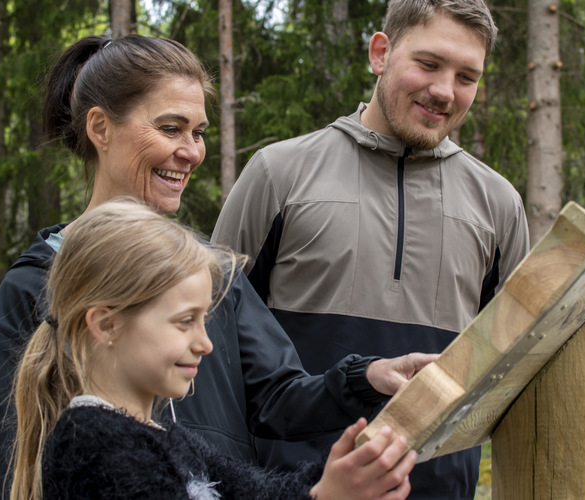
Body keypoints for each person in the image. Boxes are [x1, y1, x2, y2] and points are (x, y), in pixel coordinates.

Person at [0, 34, 435, 500]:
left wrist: (368, 378)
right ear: (100, 127)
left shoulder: (211, 273)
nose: (192, 152)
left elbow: (277, 398)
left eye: (198, 133)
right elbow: (7, 468)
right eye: (171, 128)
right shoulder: (35, 286)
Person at [211, 1, 531, 498]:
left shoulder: (500, 205)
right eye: (428, 64)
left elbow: (510, 369)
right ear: (380, 53)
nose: (445, 91)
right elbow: (215, 343)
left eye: (467, 76)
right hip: (295, 488)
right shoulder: (279, 174)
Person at [10, 198, 417, 500]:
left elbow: (261, 495)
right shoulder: (95, 446)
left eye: (205, 320)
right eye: (185, 321)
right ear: (106, 323)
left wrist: (343, 473)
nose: (205, 344)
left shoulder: (159, 432)